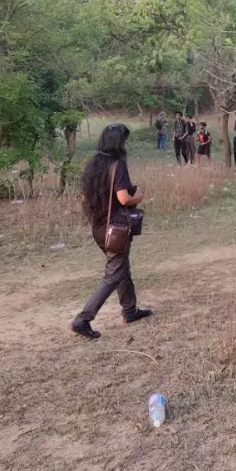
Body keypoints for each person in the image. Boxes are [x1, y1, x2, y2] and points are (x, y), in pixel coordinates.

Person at [71, 124, 151, 339]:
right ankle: (83, 319)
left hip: (98, 227)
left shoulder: (92, 165)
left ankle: (130, 311)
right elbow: (124, 198)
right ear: (119, 143)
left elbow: (84, 198)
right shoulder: (118, 166)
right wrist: (139, 196)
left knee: (121, 267)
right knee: (114, 274)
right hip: (116, 229)